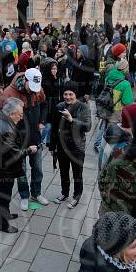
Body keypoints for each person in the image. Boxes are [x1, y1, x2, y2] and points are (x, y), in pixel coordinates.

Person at [0, 67, 48, 210]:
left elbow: (44, 105)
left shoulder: (38, 89)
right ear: (24, 80)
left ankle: (36, 193)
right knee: (21, 171)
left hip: (35, 137)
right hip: (18, 140)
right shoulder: (9, 93)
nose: (33, 91)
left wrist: (42, 121)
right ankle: (24, 196)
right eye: (30, 87)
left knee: (38, 169)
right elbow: (2, 118)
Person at [0, 98, 37, 233]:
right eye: (19, 115)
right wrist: (29, 150)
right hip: (3, 170)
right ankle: (3, 225)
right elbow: (14, 154)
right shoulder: (6, 129)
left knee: (5, 194)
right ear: (10, 114)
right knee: (4, 196)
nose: (21, 118)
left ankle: (6, 214)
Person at [51, 81, 91, 209]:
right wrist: (52, 146)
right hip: (62, 145)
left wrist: (72, 120)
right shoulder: (59, 106)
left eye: (71, 94)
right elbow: (54, 128)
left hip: (77, 146)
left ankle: (77, 195)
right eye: (65, 94)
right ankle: (64, 193)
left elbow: (88, 127)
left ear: (76, 94)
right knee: (63, 171)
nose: (68, 97)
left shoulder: (83, 107)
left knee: (77, 173)